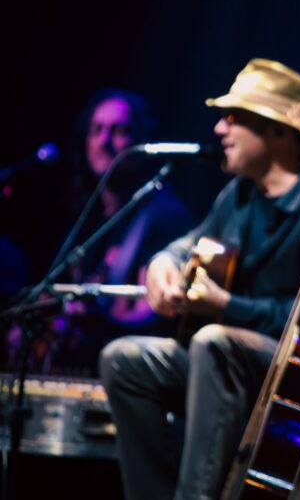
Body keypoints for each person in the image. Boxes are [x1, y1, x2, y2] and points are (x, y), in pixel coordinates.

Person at [99, 59, 300, 500]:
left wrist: (225, 307)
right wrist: (162, 263)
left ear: (278, 131)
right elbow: (189, 243)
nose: (219, 129)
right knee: (124, 360)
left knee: (215, 343)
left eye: (234, 118)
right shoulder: (241, 192)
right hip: (252, 360)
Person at [4, 89, 191, 375]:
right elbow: (53, 290)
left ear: (141, 140)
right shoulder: (88, 219)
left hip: (121, 372)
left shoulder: (164, 217)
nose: (103, 142)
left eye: (119, 131)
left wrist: (95, 320)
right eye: (96, 130)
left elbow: (155, 315)